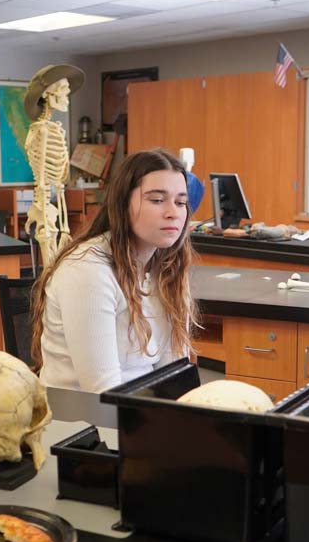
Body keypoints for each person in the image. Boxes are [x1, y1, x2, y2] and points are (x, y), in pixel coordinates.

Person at [31, 148, 196, 392]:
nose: (173, 213)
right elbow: (102, 393)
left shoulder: (165, 265)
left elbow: (173, 375)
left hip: (138, 412)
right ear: (122, 204)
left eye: (181, 202)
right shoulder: (87, 271)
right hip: (82, 422)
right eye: (157, 200)